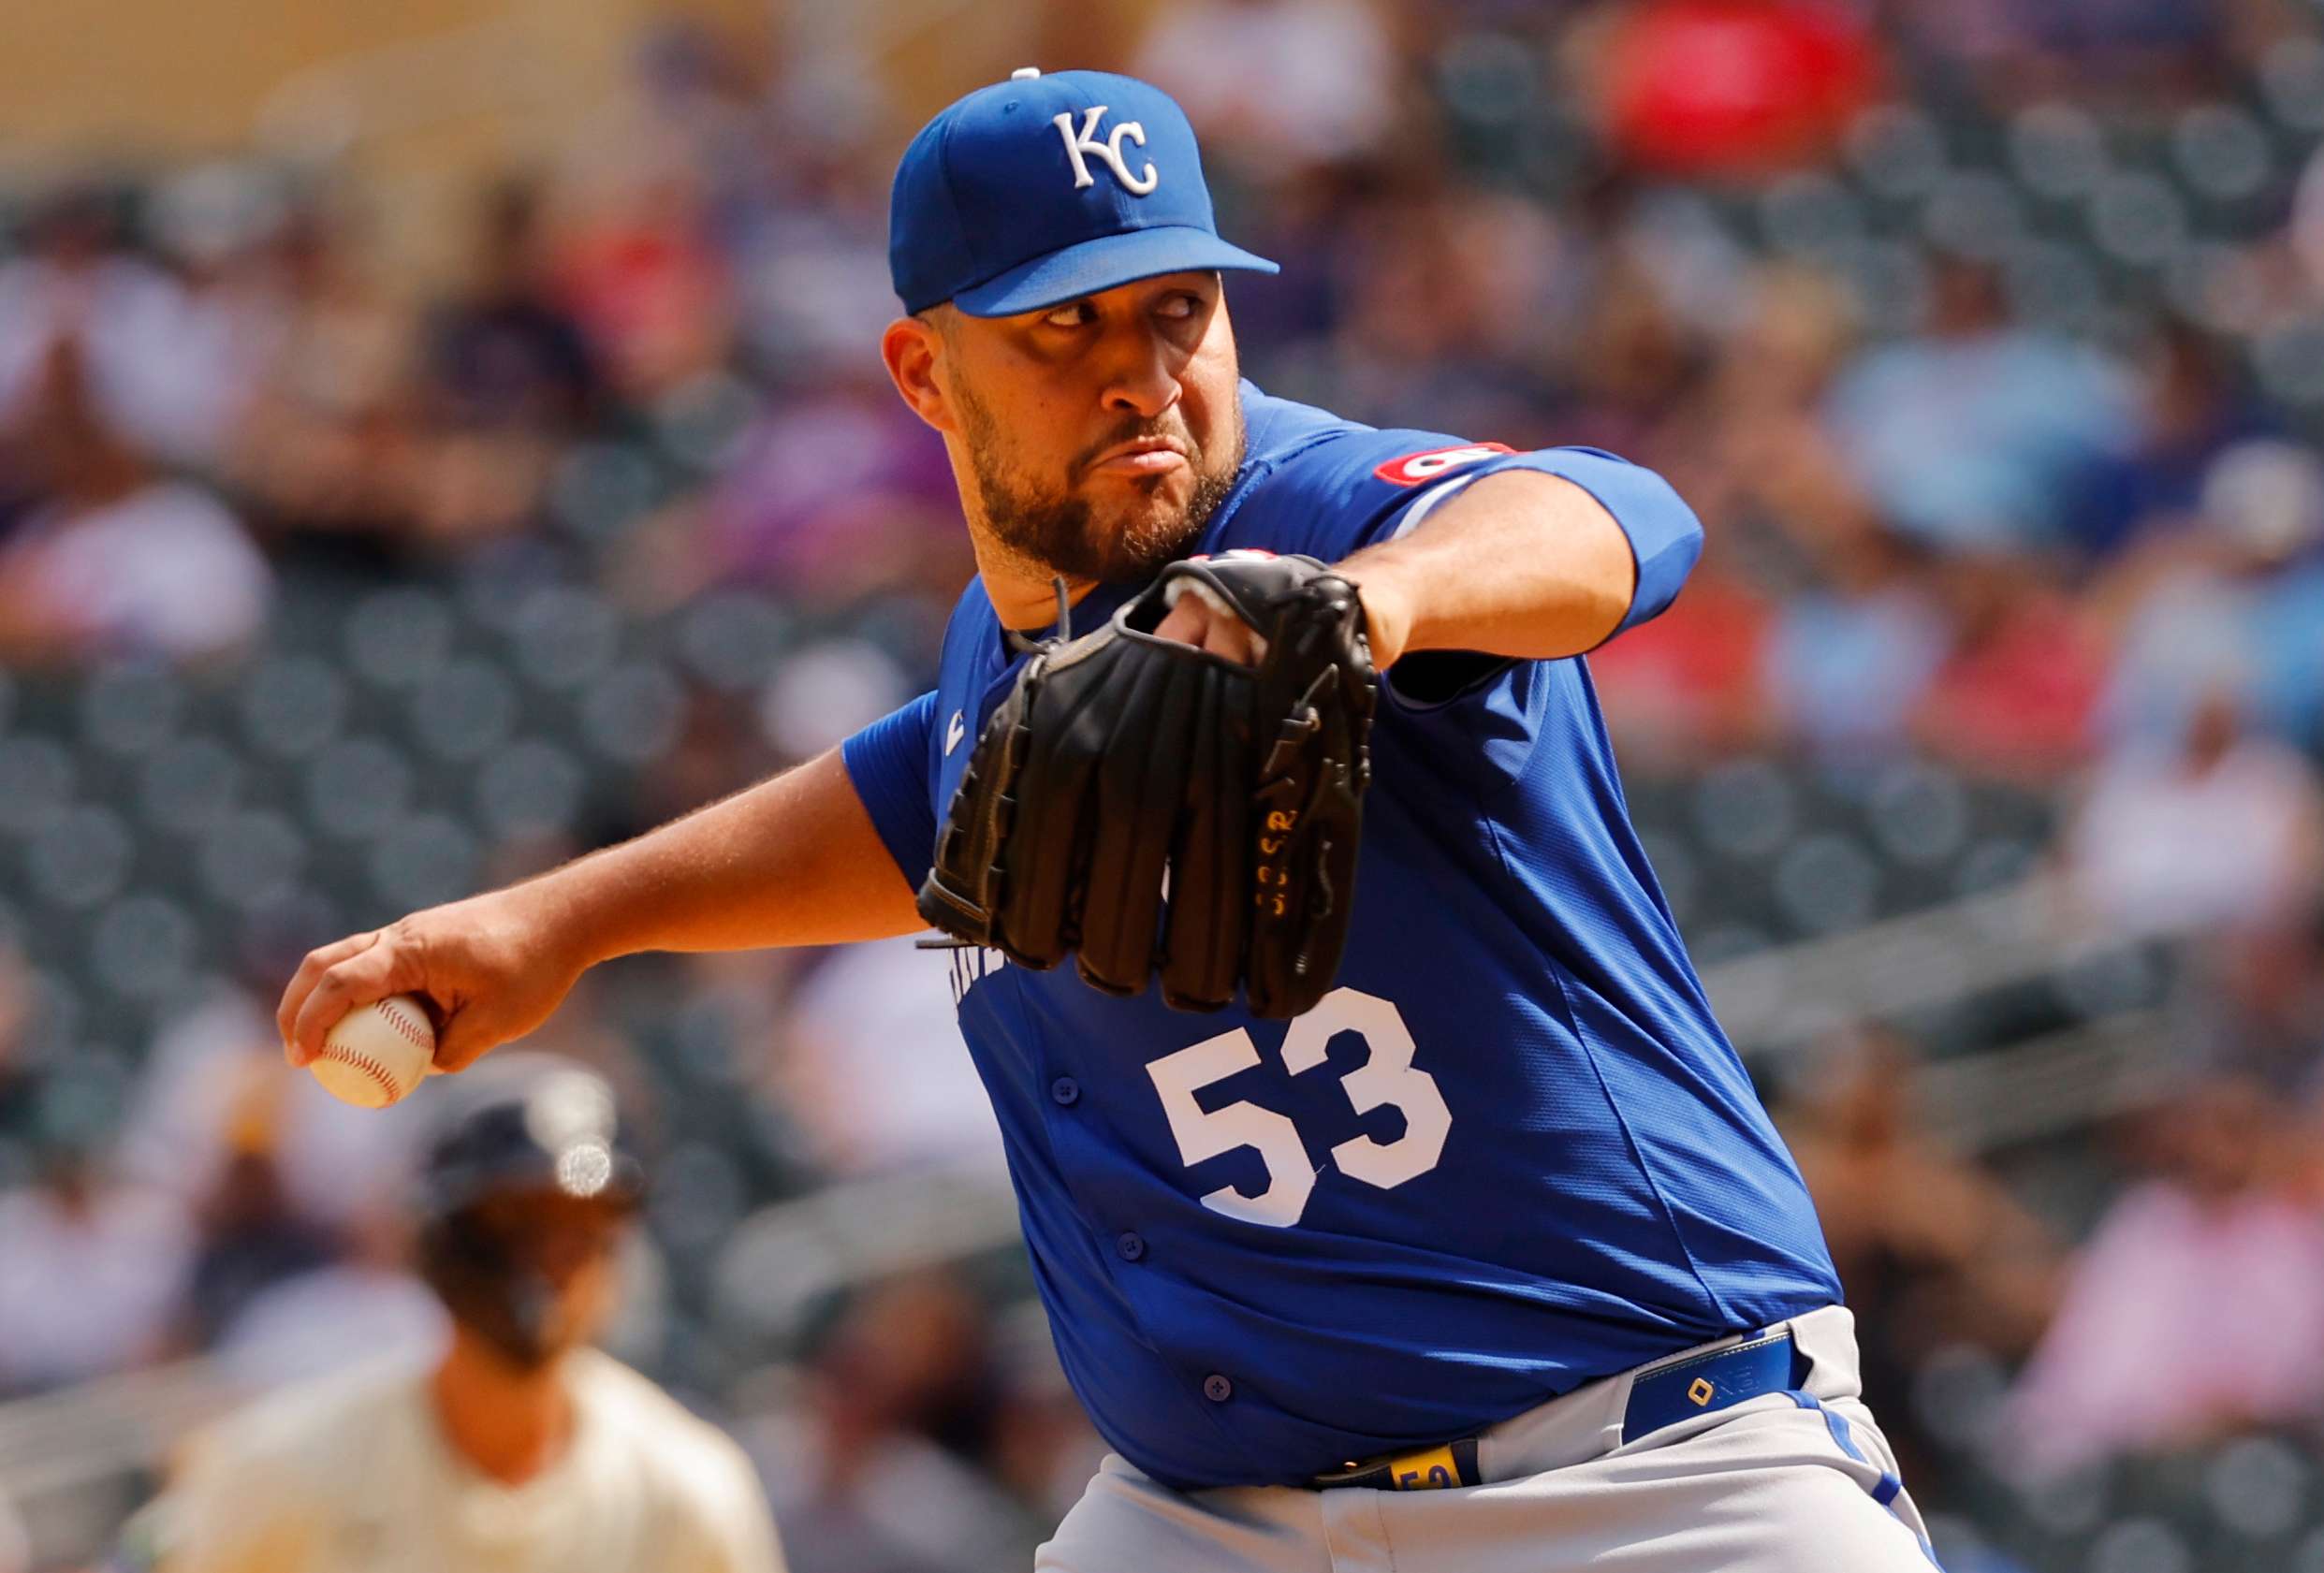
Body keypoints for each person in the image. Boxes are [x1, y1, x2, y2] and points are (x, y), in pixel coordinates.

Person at [282, 69, 1936, 1571]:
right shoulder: (1017, 643)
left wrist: (1367, 609)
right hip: (1214, 1519)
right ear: (925, 373)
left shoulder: (1318, 514)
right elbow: (922, 788)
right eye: (1063, 331)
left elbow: (1614, 519)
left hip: (1643, 1474)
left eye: (1176, 310)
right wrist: (564, 920)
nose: (1140, 376)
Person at [153, 1056, 785, 1573]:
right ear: (438, 1238)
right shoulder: (282, 1468)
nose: (553, 1260)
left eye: (583, 1226)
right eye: (517, 1221)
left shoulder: (685, 1489)